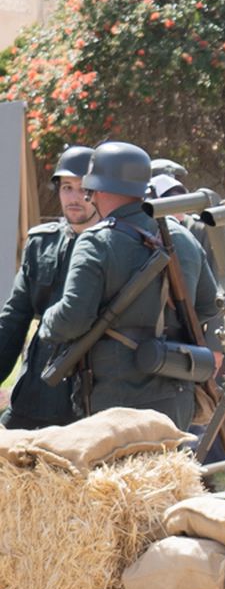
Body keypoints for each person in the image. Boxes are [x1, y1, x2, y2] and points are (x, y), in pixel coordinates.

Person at [37, 142, 221, 429]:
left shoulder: (96, 241)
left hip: (116, 400)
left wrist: (47, 321)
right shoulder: (181, 237)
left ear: (97, 189)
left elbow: (72, 319)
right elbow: (209, 306)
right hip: (176, 394)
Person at [0, 147, 98, 429]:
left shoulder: (114, 244)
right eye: (67, 187)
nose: (75, 197)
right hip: (37, 391)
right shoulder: (41, 243)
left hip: (90, 395)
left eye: (84, 188)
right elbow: (14, 319)